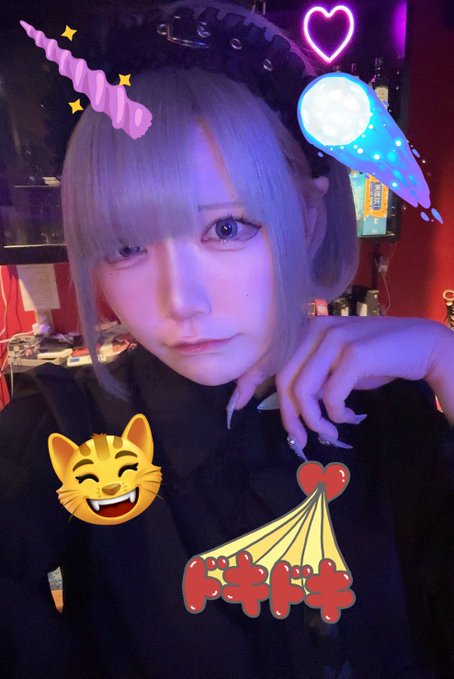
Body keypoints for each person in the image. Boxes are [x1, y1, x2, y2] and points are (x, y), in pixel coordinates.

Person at [1, 2, 453, 677]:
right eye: (125, 246)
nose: (181, 301)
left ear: (305, 217)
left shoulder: (391, 411)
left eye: (226, 228)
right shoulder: (63, 433)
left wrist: (447, 363)